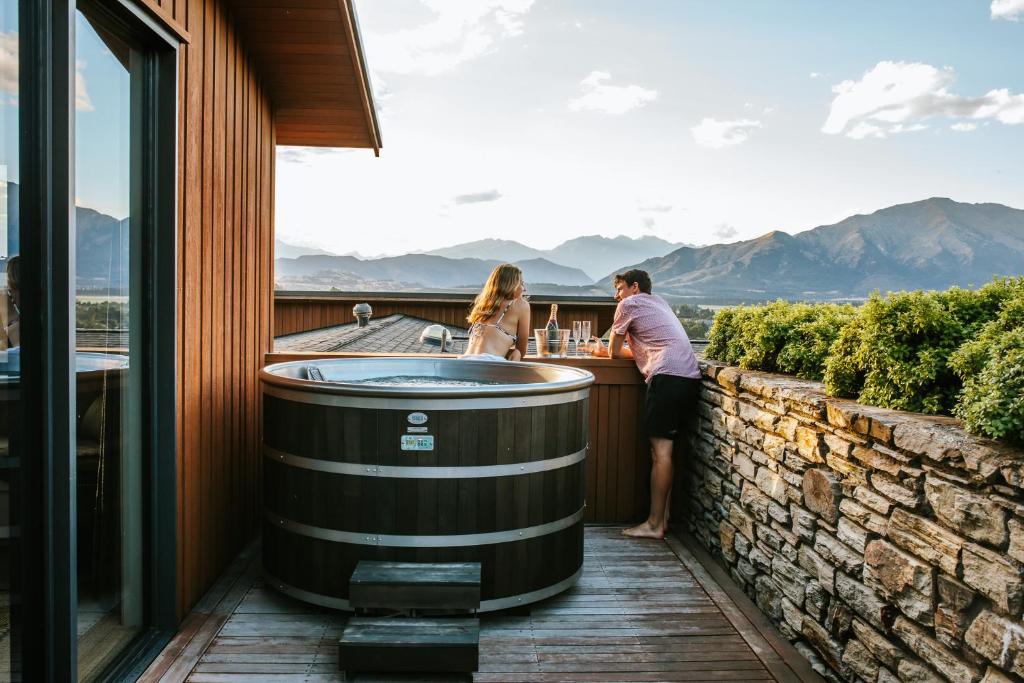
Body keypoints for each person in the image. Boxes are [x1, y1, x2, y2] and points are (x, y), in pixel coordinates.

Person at [590, 269, 701, 539]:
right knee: (668, 452)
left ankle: (653, 525)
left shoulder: (628, 304)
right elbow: (651, 348)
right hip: (689, 378)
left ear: (634, 287)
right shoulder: (659, 303)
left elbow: (615, 352)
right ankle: (662, 519)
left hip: (665, 378)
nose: (616, 296)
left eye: (618, 289)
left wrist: (598, 350)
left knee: (660, 453)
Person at [461, 263, 530, 361]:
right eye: (521, 284)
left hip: (464, 361)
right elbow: (522, 349)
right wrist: (517, 352)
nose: (524, 289)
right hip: (490, 363)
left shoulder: (483, 304)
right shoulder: (520, 305)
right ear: (512, 285)